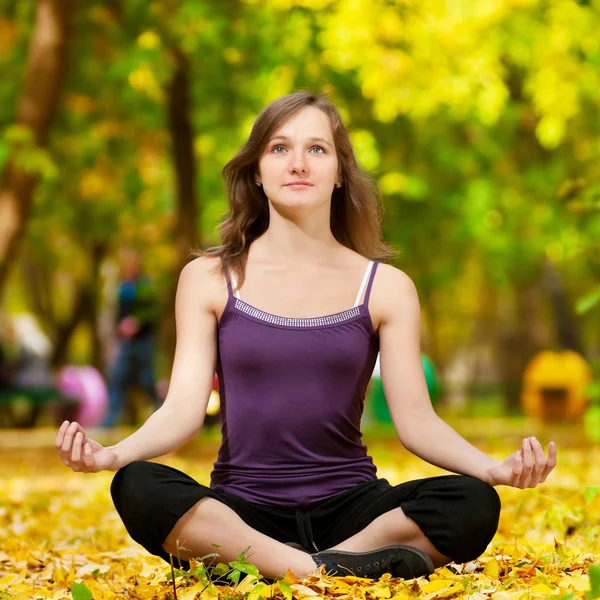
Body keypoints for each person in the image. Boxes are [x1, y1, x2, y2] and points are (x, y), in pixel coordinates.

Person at [55, 91, 557, 581]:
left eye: (317, 149)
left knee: (470, 502)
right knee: (139, 485)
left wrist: (494, 471)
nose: (298, 163)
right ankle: (334, 569)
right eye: (280, 148)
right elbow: (183, 410)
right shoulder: (209, 277)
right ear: (257, 170)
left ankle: (280, 567)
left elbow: (417, 422)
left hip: (354, 509)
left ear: (340, 173)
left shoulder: (386, 288)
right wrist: (113, 455)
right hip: (243, 509)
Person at [101, 249, 162, 427]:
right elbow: (114, 314)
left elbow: (153, 311)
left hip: (143, 342)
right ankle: (109, 422)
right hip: (125, 343)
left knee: (147, 380)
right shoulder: (120, 287)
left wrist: (137, 322)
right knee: (118, 380)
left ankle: (159, 416)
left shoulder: (145, 285)